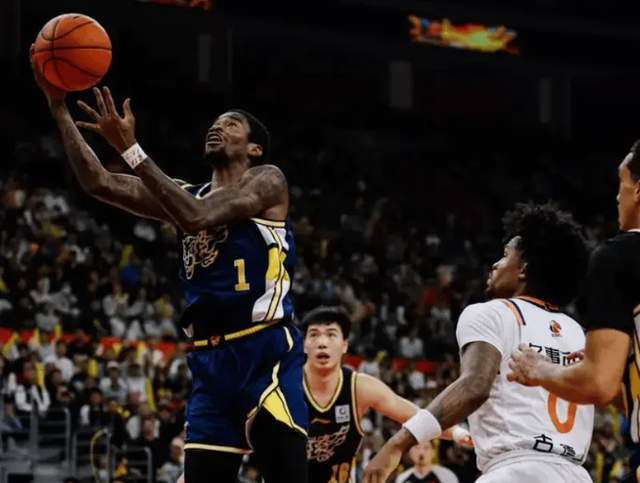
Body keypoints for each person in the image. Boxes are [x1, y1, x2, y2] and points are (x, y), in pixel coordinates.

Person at [31, 48, 307, 483]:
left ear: (254, 148)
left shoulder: (268, 181)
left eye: (231, 124)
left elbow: (198, 218)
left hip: (264, 350)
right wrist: (57, 106)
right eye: (215, 122)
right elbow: (98, 181)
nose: (218, 127)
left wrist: (131, 149)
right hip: (208, 362)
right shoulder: (183, 195)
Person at [363, 203, 594, 483]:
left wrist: (398, 442)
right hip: (576, 473)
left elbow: (475, 386)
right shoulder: (578, 332)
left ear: (524, 268)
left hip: (516, 470)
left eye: (505, 255)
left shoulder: (491, 313)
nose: (495, 264)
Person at [507, 142, 640, 481]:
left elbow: (597, 384)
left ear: (638, 189)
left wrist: (540, 369)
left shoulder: (619, 258)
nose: (617, 197)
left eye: (621, 183)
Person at [302, 306, 471, 483]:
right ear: (304, 345)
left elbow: (416, 416)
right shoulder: (286, 386)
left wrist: (457, 432)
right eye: (314, 335)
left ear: (344, 345)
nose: (322, 343)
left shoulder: (359, 387)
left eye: (331, 335)